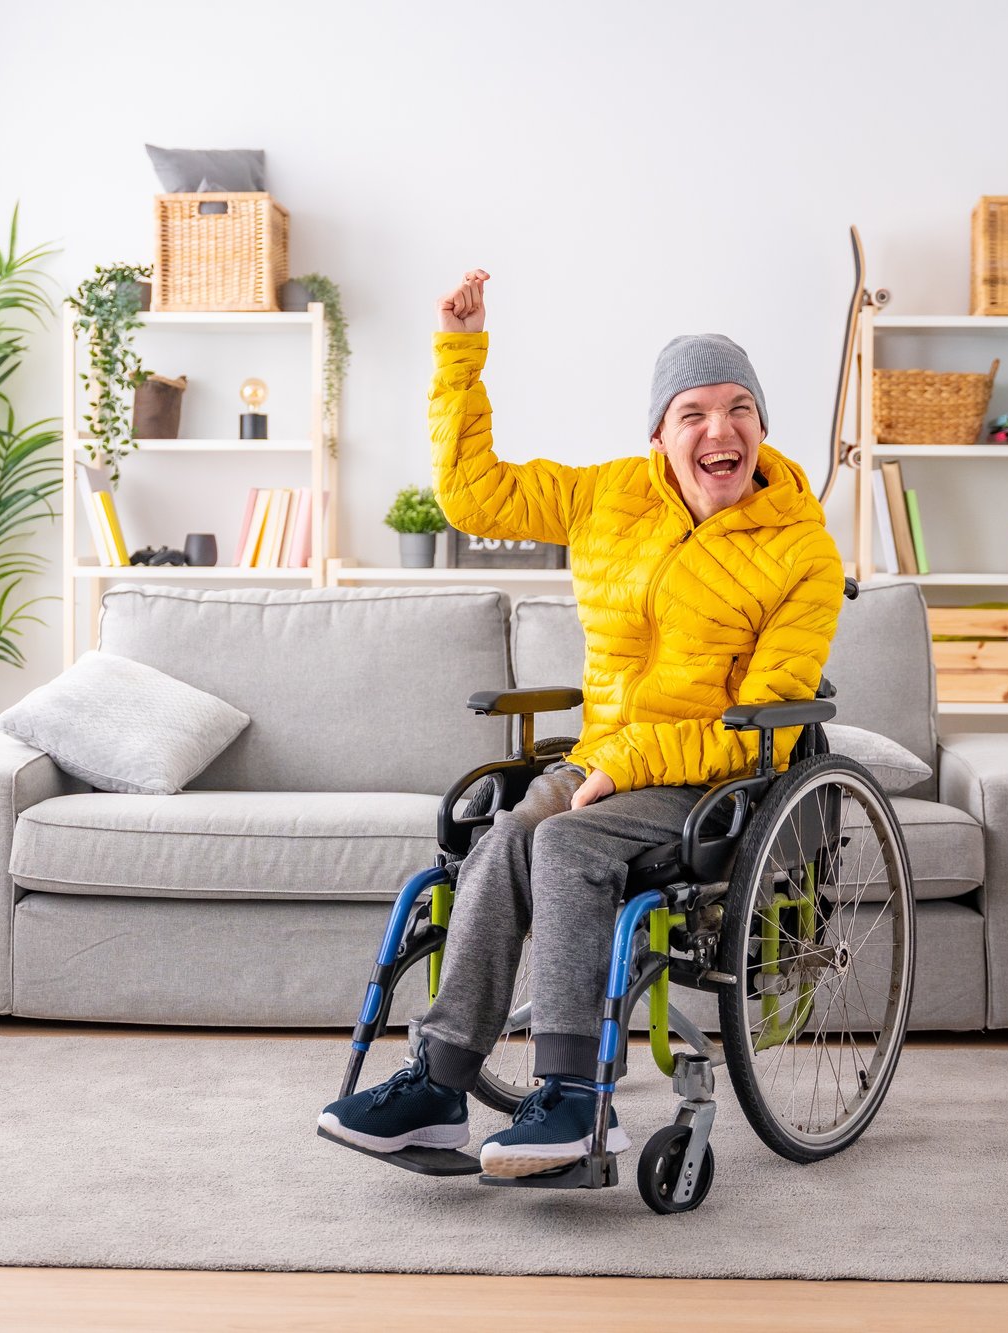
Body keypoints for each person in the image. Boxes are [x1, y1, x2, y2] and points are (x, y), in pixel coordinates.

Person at [318, 268, 845, 1179]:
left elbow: (756, 712)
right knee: (504, 836)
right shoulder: (609, 497)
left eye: (739, 409)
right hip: (608, 757)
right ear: (659, 435)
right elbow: (473, 497)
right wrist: (460, 355)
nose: (719, 431)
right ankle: (440, 1084)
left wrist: (633, 757)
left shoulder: (803, 549)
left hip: (717, 774)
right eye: (694, 413)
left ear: (761, 426)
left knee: (563, 843)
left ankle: (572, 1099)